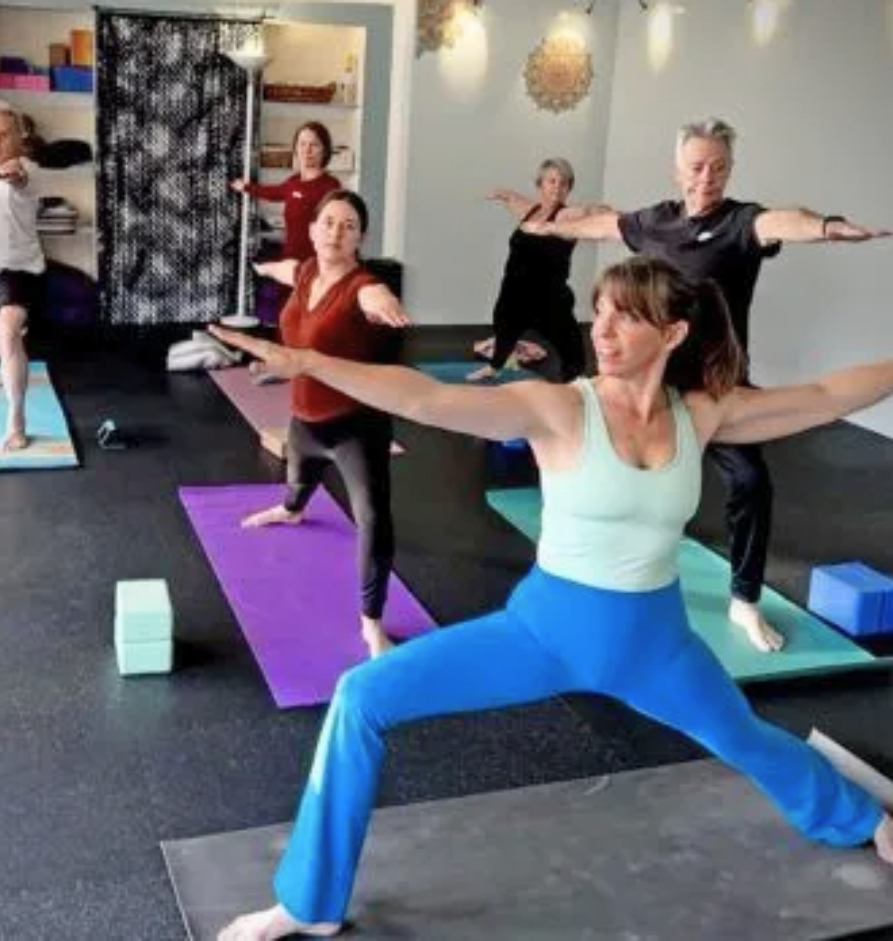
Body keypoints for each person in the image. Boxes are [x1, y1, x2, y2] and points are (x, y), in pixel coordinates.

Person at [210, 256, 893, 940]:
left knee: (743, 734)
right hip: (542, 632)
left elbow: (826, 394)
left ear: (674, 333)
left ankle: (861, 817)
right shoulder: (560, 406)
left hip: (657, 644)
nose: (604, 329)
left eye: (626, 316)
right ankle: (309, 899)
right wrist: (308, 359)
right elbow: (423, 397)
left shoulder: (701, 415)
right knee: (361, 697)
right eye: (599, 311)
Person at [523, 117, 891, 653]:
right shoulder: (656, 223)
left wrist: (830, 227)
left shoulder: (740, 223)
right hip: (652, 386)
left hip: (718, 388)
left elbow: (785, 221)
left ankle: (744, 601)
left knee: (750, 483)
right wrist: (548, 226)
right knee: (609, 468)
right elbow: (603, 225)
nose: (707, 177)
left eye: (719, 167)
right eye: (697, 166)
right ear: (678, 170)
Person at [234, 189, 410, 658]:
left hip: (356, 425)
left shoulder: (362, 287)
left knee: (372, 517)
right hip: (305, 420)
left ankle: (372, 623)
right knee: (296, 483)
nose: (336, 232)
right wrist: (260, 268)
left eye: (348, 225)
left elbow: (374, 294)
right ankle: (292, 511)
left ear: (360, 238)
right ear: (312, 229)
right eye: (328, 222)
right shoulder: (306, 270)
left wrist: (383, 297)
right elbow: (286, 270)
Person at [466, 158, 589, 383]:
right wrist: (503, 194)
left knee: (568, 344)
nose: (557, 187)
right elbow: (515, 199)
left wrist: (601, 211)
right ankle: (494, 367)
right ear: (540, 184)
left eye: (564, 183)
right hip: (514, 290)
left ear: (569, 188)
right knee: (504, 326)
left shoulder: (567, 216)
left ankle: (576, 383)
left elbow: (588, 212)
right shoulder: (531, 211)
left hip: (548, 297)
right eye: (552, 181)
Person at [231, 121, 341, 265]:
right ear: (295, 149)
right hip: (289, 261)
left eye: (314, 145)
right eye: (302, 144)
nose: (307, 150)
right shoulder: (293, 182)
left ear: (325, 150)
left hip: (316, 266)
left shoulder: (331, 187)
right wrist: (245, 187)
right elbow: (273, 193)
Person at [0, 106, 45, 452]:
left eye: (3, 135)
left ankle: (16, 420)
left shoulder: (25, 169)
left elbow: (18, 178)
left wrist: (13, 174)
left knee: (8, 331)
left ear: (17, 138)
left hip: (18, 270)